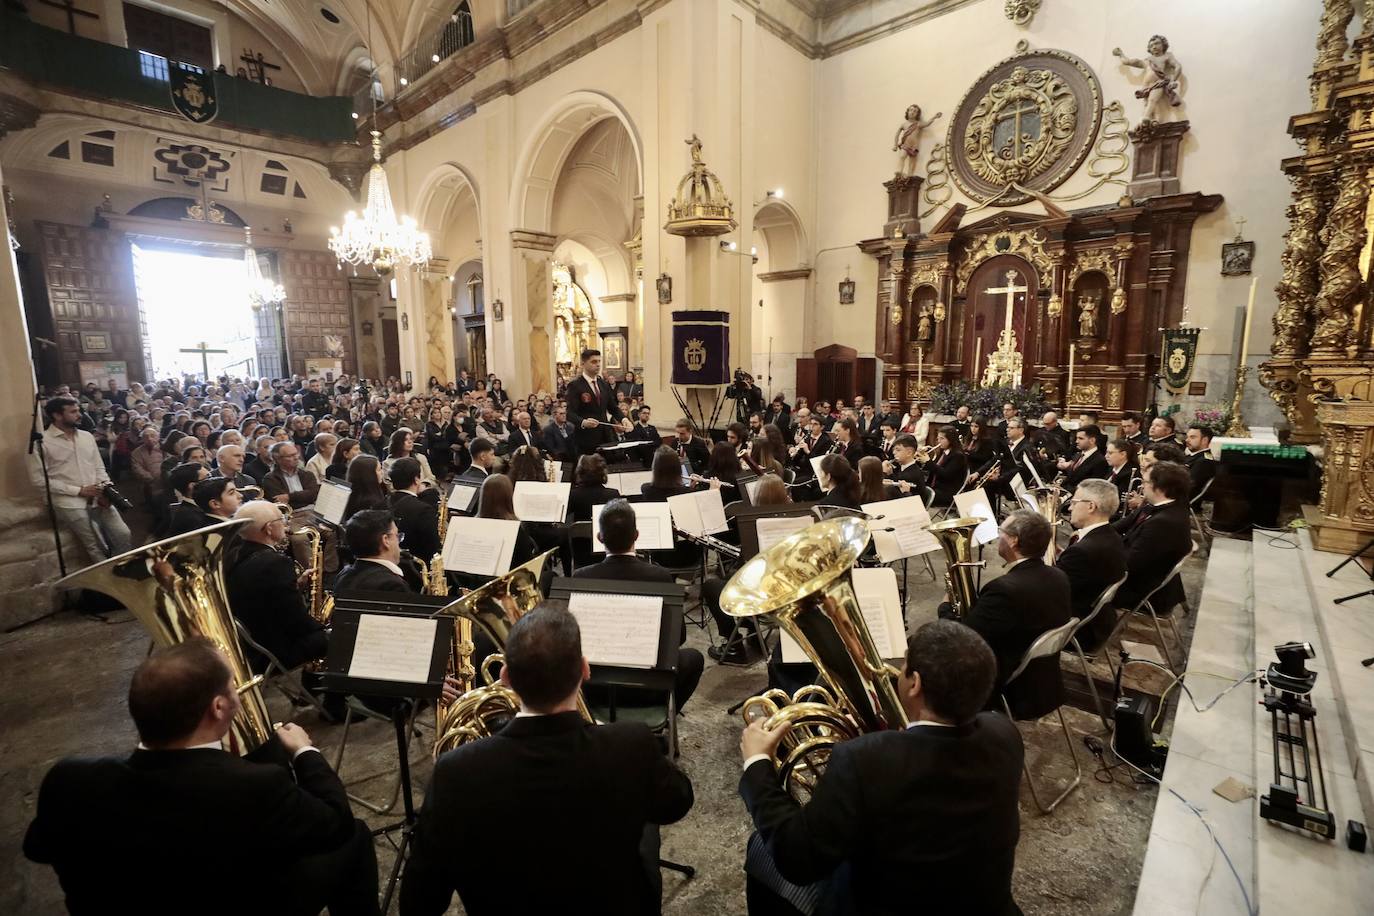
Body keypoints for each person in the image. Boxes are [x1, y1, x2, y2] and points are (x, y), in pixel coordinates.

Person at [24, 638, 379, 916]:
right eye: (233, 685)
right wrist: (304, 752)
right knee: (356, 838)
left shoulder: (67, 779)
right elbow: (335, 822)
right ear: (219, 708)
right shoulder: (255, 787)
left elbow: (37, 849)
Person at [399, 607, 693, 916]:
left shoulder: (455, 771)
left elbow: (420, 900)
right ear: (584, 669)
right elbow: (678, 802)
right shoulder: (631, 744)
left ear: (505, 677)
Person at [737, 620, 1022, 916]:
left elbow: (796, 860)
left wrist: (757, 763)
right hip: (985, 903)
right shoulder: (1004, 733)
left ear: (915, 684)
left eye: (904, 667)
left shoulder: (862, 759)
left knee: (761, 846)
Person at [574, 500, 705, 712]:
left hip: (594, 688)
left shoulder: (580, 576)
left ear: (599, 538)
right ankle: (663, 712)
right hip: (647, 687)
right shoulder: (660, 576)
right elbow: (678, 637)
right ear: (636, 535)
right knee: (694, 658)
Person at [954, 510, 1071, 718]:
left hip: (1009, 683)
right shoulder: (1059, 575)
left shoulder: (1005, 589)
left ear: (1014, 541)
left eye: (1001, 531)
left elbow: (964, 640)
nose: (998, 535)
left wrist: (946, 607)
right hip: (1043, 677)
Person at [227, 501, 328, 672]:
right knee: (341, 637)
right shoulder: (275, 564)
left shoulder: (233, 554)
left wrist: (296, 586)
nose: (287, 524)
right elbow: (297, 622)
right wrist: (323, 627)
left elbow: (263, 595)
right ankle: (317, 693)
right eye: (282, 519)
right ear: (269, 529)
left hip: (249, 646)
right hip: (275, 651)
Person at [30, 396, 132, 562]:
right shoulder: (41, 442)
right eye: (73, 412)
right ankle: (106, 580)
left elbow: (99, 466)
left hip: (98, 495)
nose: (80, 415)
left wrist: (105, 489)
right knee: (95, 544)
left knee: (123, 534)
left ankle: (120, 569)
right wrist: (79, 491)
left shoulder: (86, 436)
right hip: (68, 501)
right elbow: (39, 480)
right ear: (57, 415)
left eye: (78, 410)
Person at [1113, 461, 1193, 615]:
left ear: (1160, 488)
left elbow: (1130, 564)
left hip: (1140, 590)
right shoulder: (1156, 505)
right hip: (1139, 575)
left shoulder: (1164, 522)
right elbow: (1120, 526)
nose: (1142, 486)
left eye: (1146, 482)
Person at [1058, 479, 1128, 650]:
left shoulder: (1084, 551)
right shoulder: (1110, 536)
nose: (1069, 508)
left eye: (1074, 502)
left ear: (1091, 506)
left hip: (1077, 630)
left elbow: (1051, 589)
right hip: (1098, 621)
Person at [564, 348, 631, 455]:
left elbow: (613, 407)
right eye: (594, 362)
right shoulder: (575, 385)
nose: (598, 365)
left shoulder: (603, 384)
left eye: (599, 361)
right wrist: (583, 422)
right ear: (583, 363)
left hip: (605, 435)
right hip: (586, 438)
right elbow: (570, 413)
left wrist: (623, 419)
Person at [334, 509, 411, 593]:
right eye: (397, 536)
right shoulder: (393, 585)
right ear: (386, 540)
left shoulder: (343, 575)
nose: (398, 541)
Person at [389, 457, 441, 562]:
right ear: (417, 480)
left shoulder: (379, 504)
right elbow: (432, 548)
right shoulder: (423, 510)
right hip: (416, 569)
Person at [262, 442, 320, 509]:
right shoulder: (270, 478)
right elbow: (280, 502)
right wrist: (303, 496)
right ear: (277, 459)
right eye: (290, 456)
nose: (296, 458)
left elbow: (313, 494)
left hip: (310, 510)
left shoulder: (307, 474)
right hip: (288, 514)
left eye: (296, 454)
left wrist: (289, 497)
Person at [163, 461, 211, 537]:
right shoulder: (191, 518)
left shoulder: (200, 506)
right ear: (192, 486)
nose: (214, 481)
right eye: (209, 478)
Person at [568, 453, 620, 522]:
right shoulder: (613, 494)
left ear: (580, 472)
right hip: (606, 532)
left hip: (582, 532)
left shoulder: (574, 495)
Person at [1058, 424, 1109, 492]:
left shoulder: (1100, 461)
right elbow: (1071, 478)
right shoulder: (1078, 455)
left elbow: (1092, 488)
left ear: (1092, 440)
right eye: (1077, 438)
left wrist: (1065, 490)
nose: (1077, 441)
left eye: (1081, 438)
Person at [927, 425, 968, 507]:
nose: (938, 441)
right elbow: (932, 469)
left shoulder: (958, 456)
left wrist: (928, 461)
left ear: (951, 439)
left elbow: (946, 474)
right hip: (935, 487)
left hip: (947, 492)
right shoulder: (944, 452)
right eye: (938, 438)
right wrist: (920, 461)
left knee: (916, 495)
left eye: (942, 438)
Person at [341, 454, 389, 522]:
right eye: (379, 470)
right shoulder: (373, 504)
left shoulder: (348, 495)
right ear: (368, 475)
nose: (382, 472)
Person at [1183, 423, 1218, 498]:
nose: (1187, 440)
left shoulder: (1204, 461)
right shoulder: (1193, 456)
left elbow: (1190, 487)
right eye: (1187, 437)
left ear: (1204, 440)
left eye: (1192, 437)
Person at [1104, 438, 1139, 503]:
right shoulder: (1111, 469)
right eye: (1106, 452)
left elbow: (1117, 499)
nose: (1106, 456)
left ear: (1123, 454)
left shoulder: (1131, 474)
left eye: (1110, 453)